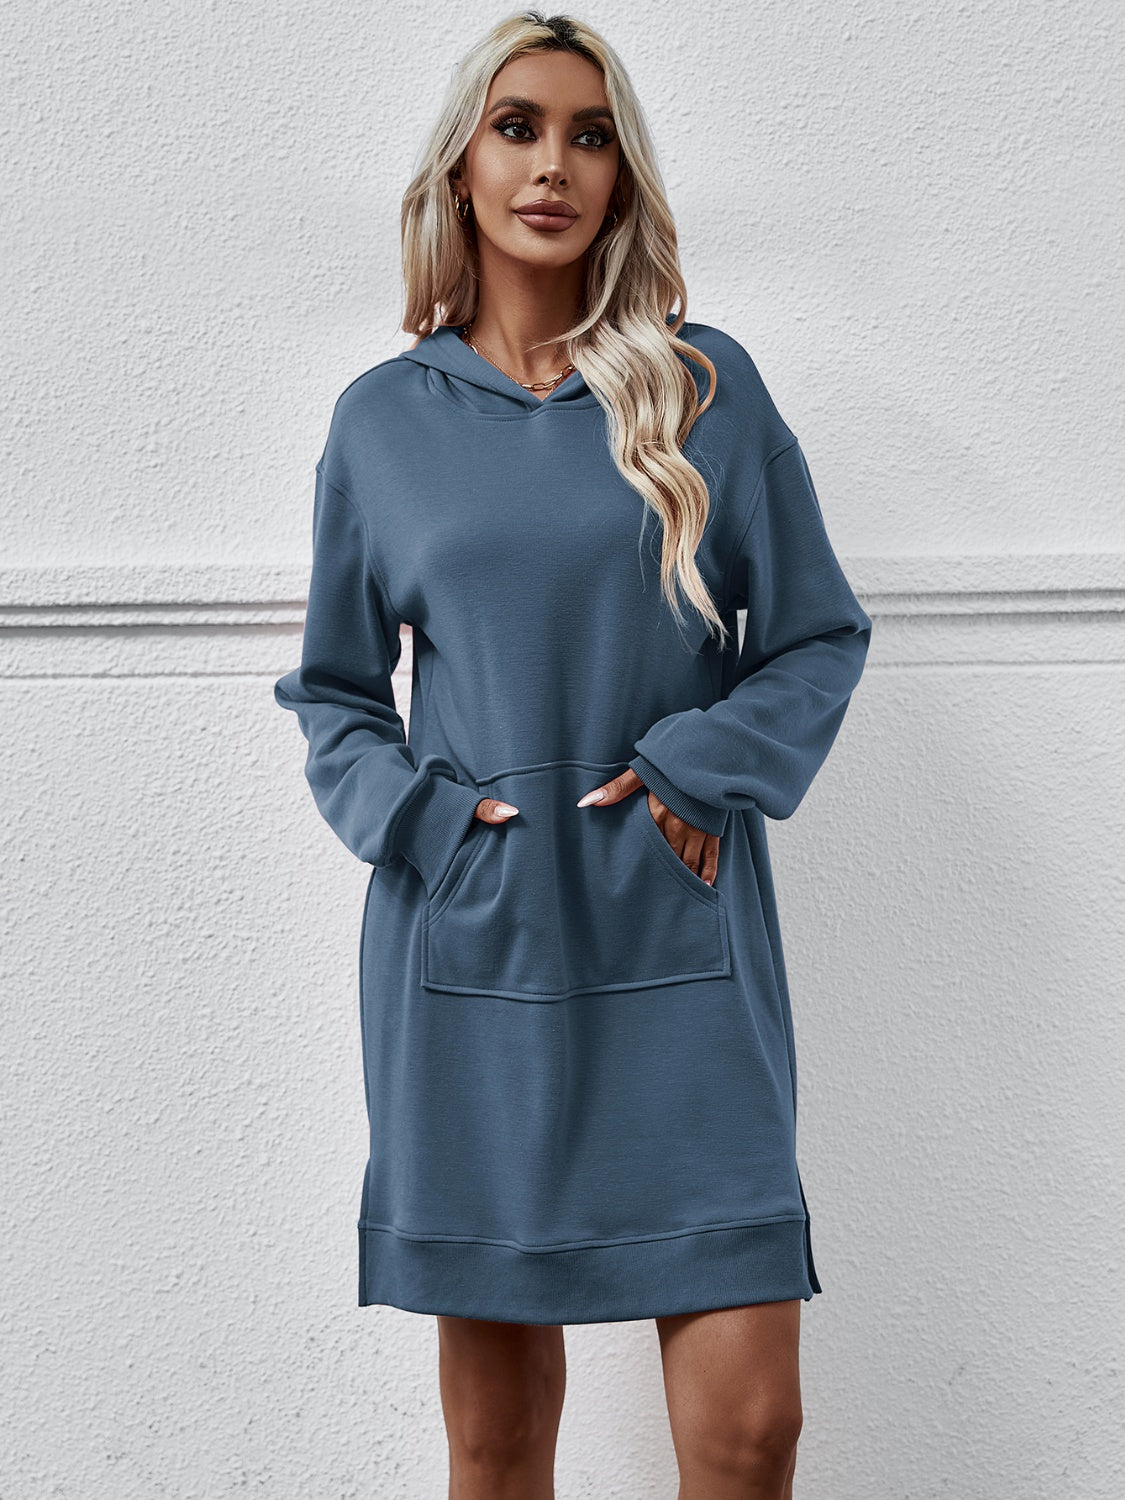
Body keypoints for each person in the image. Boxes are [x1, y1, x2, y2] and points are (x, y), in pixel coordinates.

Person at [274, 11, 872, 1498]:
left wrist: (699, 765)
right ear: (460, 169)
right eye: (519, 127)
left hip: (679, 938)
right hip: (472, 954)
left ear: (622, 178)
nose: (554, 165)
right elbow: (336, 694)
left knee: (750, 1434)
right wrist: (423, 827)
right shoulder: (381, 424)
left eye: (590, 137)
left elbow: (815, 636)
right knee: (496, 1446)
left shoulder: (705, 392)